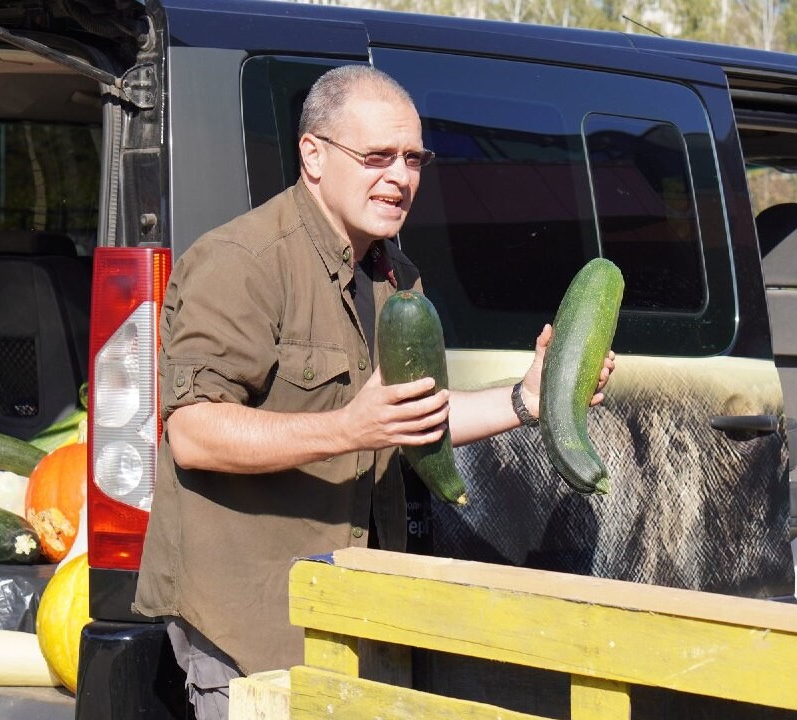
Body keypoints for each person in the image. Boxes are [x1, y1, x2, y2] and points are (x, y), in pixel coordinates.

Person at [133, 65, 614, 720]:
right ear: (314, 155)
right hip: (252, 623)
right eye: (377, 157)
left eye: (414, 159)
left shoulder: (395, 276)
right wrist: (348, 429)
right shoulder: (241, 262)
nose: (400, 178)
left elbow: (411, 421)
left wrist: (526, 399)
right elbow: (193, 434)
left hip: (355, 609)